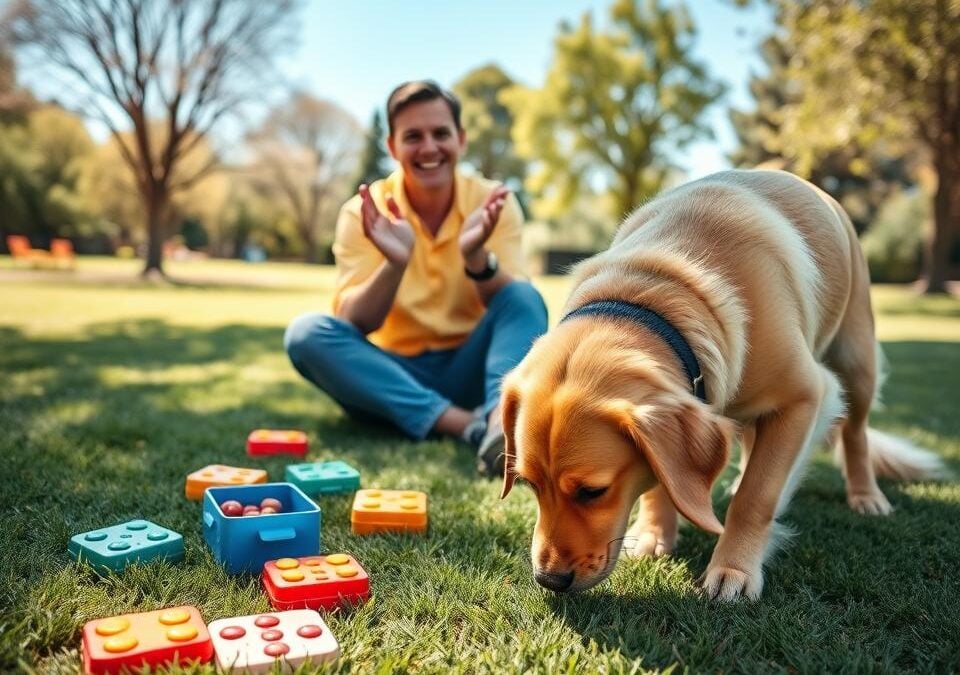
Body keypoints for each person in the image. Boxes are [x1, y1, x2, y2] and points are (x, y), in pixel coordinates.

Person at [283, 80, 548, 476]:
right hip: (394, 376)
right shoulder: (364, 212)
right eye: (413, 136)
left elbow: (515, 306)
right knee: (306, 334)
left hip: (477, 370)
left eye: (441, 133)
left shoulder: (493, 202)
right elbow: (355, 323)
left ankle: (499, 420)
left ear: (460, 139)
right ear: (392, 147)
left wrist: (476, 257)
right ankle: (470, 427)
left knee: (524, 296)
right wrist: (394, 264)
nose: (429, 148)